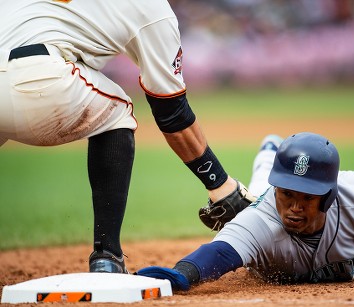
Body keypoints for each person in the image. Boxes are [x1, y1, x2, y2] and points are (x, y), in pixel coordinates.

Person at [0, 0, 254, 273]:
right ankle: (106, 256)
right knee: (116, 113)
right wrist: (219, 184)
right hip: (39, 79)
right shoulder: (152, 9)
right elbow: (172, 114)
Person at [136, 132, 354, 290]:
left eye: (307, 198)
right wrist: (180, 276)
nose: (293, 206)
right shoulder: (261, 218)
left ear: (329, 197)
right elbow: (219, 252)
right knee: (262, 184)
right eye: (287, 193)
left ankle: (270, 155)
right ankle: (269, 151)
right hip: (263, 197)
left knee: (268, 183)